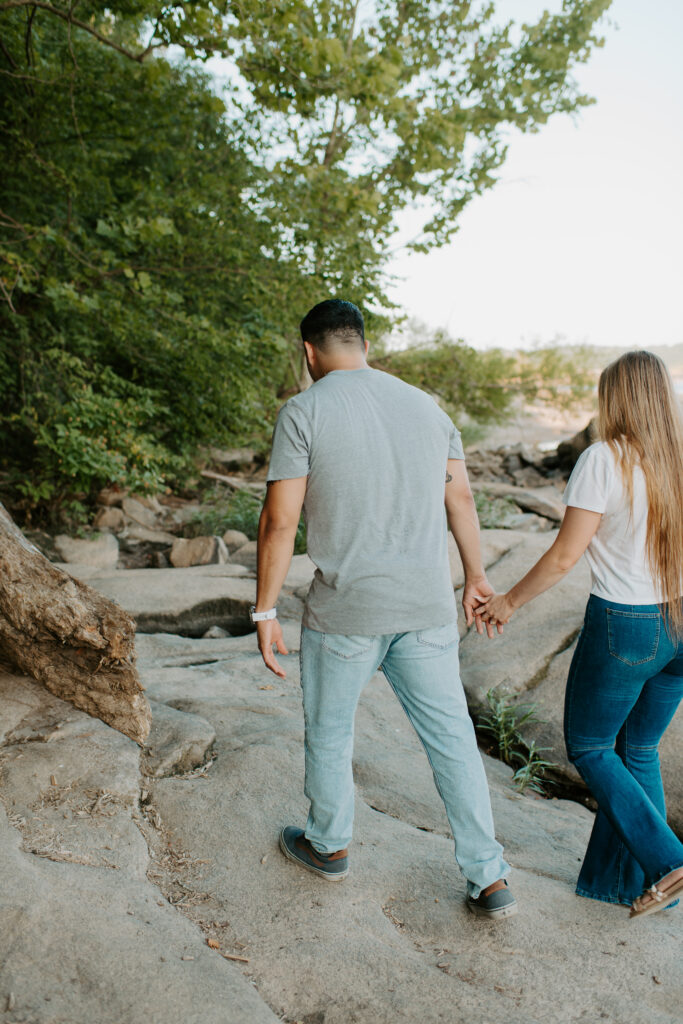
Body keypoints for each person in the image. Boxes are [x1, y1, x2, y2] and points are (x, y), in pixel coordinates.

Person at [253, 299, 516, 920]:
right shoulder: (427, 406)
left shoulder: (303, 411)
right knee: (453, 740)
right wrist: (476, 576)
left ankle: (329, 847)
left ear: (309, 353)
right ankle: (490, 878)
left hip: (347, 612)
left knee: (331, 732)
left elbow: (279, 520)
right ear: (364, 344)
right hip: (425, 607)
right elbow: (463, 501)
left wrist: (265, 612)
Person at [479, 350, 683, 919]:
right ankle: (636, 883)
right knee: (637, 747)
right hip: (680, 620)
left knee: (591, 747)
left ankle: (669, 860)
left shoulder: (604, 459)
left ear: (614, 398)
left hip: (629, 624)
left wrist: (509, 601)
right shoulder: (677, 456)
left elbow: (566, 554)